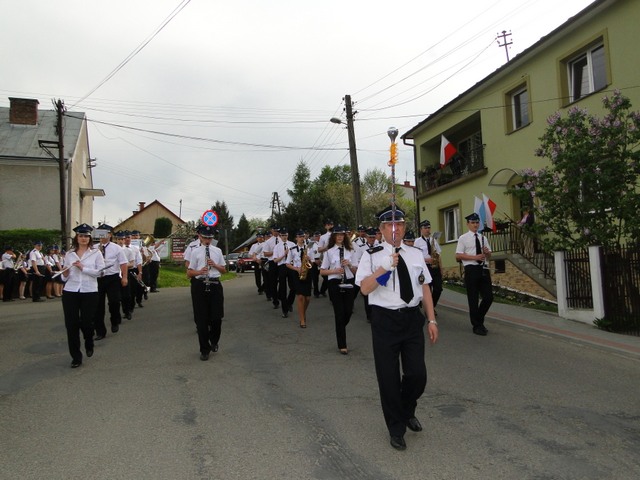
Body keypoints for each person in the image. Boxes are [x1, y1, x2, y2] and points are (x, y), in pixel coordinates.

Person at [355, 206, 438, 451]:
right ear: (381, 230)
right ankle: (396, 428)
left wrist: (432, 320)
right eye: (390, 225)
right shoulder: (371, 255)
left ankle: (406, 409)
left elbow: (425, 287)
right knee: (389, 378)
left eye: (400, 224)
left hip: (411, 319)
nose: (396, 229)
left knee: (417, 375)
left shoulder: (415, 254)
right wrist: (383, 268)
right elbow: (365, 289)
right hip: (385, 321)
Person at [60, 224, 106, 368]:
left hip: (89, 291)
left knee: (87, 323)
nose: (83, 238)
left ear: (90, 238)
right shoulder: (69, 254)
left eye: (86, 236)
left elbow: (101, 272)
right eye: (81, 236)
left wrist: (83, 268)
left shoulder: (96, 253)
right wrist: (65, 273)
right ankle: (76, 357)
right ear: (77, 238)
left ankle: (89, 341)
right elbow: (65, 277)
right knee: (71, 325)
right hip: (71, 291)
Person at [187, 224, 226, 361]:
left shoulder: (217, 251)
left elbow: (224, 270)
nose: (207, 240)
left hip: (215, 284)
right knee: (201, 320)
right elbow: (189, 273)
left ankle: (214, 341)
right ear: (200, 237)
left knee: (216, 318)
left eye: (210, 238)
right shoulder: (195, 252)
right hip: (200, 285)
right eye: (205, 237)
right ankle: (204, 349)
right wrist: (199, 272)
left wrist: (215, 265)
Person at [319, 224, 357, 355]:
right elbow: (322, 271)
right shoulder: (329, 252)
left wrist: (349, 264)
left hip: (349, 281)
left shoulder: (351, 250)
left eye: (342, 235)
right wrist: (334, 271)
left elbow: (356, 270)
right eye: (337, 235)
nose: (340, 237)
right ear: (334, 237)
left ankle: (340, 327)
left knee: (348, 311)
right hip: (335, 282)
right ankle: (342, 344)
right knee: (339, 313)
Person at [455, 212, 493, 336]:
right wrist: (474, 257)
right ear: (468, 224)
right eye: (473, 223)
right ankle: (477, 325)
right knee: (473, 299)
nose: (475, 225)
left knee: (488, 297)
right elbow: (458, 256)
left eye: (477, 222)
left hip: (483, 269)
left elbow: (489, 255)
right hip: (471, 269)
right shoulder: (463, 238)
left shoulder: (483, 238)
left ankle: (479, 319)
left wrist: (487, 253)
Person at [94, 224, 128, 339]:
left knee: (114, 301)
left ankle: (114, 320)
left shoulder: (116, 248)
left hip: (112, 277)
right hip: (98, 278)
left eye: (105, 233)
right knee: (98, 305)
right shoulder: (93, 248)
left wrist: (124, 277)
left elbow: (123, 263)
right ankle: (100, 331)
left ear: (110, 235)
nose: (102, 235)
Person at [414, 220, 443, 311]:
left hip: (435, 267)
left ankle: (431, 306)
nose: (428, 230)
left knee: (438, 289)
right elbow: (414, 256)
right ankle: (430, 309)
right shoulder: (417, 242)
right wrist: (426, 259)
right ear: (421, 229)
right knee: (428, 290)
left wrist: (441, 268)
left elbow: (438, 255)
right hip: (425, 267)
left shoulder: (433, 240)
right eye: (425, 228)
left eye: (429, 228)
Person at [286, 230, 312, 328]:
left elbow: (313, 263)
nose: (302, 238)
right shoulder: (292, 249)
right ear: (296, 238)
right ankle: (302, 319)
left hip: (307, 273)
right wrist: (297, 269)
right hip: (297, 273)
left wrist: (309, 259)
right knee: (300, 296)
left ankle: (303, 312)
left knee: (307, 298)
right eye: (300, 237)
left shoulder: (308, 248)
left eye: (303, 237)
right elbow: (287, 264)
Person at [272, 228, 295, 318]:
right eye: (282, 235)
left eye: (285, 235)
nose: (284, 237)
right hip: (282, 266)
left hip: (291, 265)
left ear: (288, 235)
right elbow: (275, 260)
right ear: (280, 236)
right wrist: (284, 254)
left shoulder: (292, 244)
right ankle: (284, 310)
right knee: (282, 288)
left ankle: (289, 303)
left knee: (294, 287)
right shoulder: (277, 247)